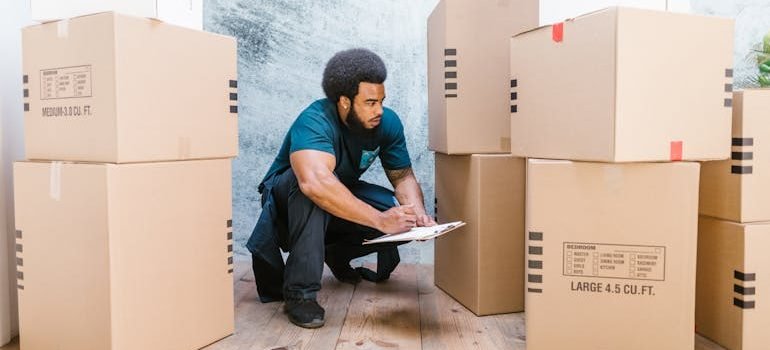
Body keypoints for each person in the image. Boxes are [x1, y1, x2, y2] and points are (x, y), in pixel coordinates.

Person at [245, 48, 436, 329]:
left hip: (335, 191)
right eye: (370, 102)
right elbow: (314, 182)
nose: (379, 110)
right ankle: (300, 294)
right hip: (289, 200)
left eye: (382, 101)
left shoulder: (387, 122)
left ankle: (337, 253)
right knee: (312, 191)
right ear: (344, 102)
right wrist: (380, 221)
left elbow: (403, 176)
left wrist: (418, 216)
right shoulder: (315, 119)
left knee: (401, 213)